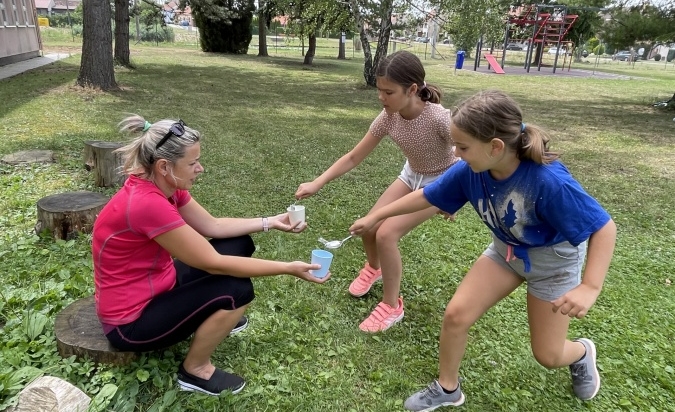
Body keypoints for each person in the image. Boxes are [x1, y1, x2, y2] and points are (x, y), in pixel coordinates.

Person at [349, 90, 616, 409]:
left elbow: (603, 227)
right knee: (456, 315)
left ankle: (582, 352)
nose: (456, 154)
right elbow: (427, 195)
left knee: (548, 354)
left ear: (495, 147)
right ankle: (448, 388)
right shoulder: (469, 170)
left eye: (462, 147)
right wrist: (377, 215)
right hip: (505, 254)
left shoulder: (549, 182)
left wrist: (589, 286)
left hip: (552, 266)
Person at [93, 115, 330, 397]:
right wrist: (288, 268)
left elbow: (213, 226)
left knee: (237, 242)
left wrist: (272, 221)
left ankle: (215, 319)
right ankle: (195, 370)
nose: (200, 168)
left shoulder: (163, 185)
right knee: (236, 290)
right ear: (165, 166)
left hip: (158, 286)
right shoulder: (146, 203)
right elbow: (212, 262)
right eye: (192, 163)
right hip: (130, 323)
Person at [295, 50, 459, 332]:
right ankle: (375, 269)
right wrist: (317, 182)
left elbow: (467, 158)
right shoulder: (388, 117)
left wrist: (452, 198)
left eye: (388, 92)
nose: (381, 98)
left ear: (412, 90)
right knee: (369, 228)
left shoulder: (440, 119)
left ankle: (392, 306)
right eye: (379, 91)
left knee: (386, 233)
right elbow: (353, 157)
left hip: (441, 181)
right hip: (411, 174)